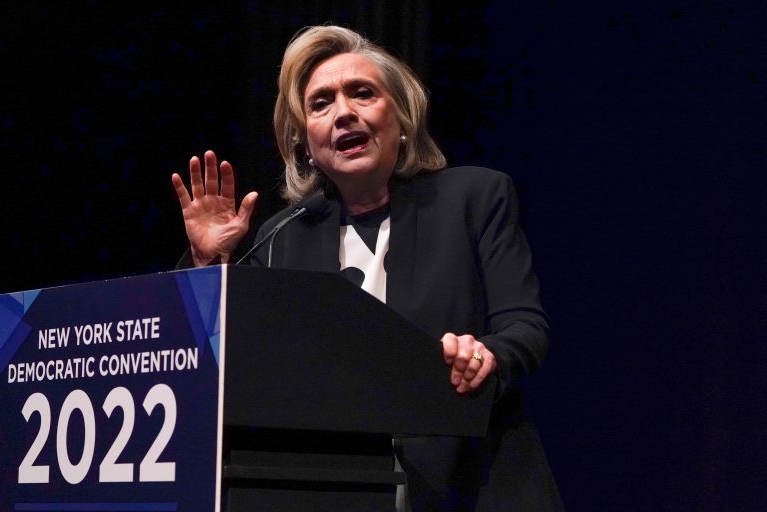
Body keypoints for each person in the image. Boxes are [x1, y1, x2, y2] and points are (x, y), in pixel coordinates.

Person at [172, 25, 562, 511]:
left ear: (400, 118)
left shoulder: (474, 198)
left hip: (470, 484)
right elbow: (220, 363)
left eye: (362, 93)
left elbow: (526, 326)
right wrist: (210, 263)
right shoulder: (284, 235)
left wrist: (484, 355)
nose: (344, 113)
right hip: (330, 490)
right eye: (321, 104)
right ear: (304, 144)